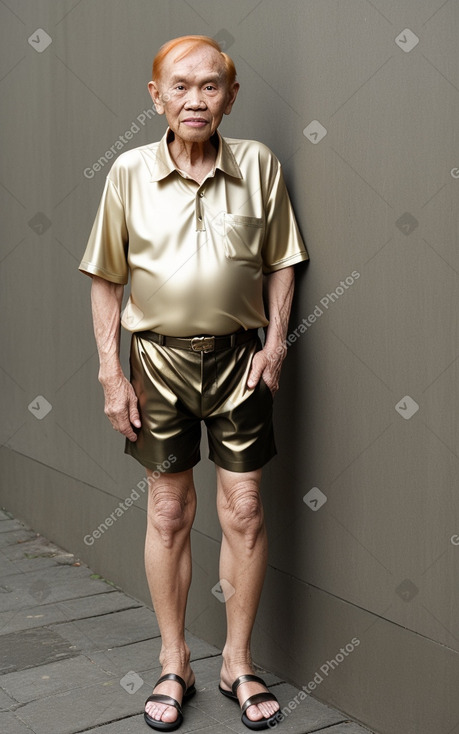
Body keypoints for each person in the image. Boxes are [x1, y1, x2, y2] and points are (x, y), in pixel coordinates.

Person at [79, 35, 308, 732]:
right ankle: (173, 660)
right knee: (168, 512)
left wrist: (274, 345)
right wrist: (110, 370)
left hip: (241, 358)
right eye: (180, 86)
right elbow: (106, 277)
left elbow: (282, 262)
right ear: (156, 96)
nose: (195, 99)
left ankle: (237, 661)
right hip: (156, 361)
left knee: (243, 510)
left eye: (210, 86)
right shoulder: (126, 171)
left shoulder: (259, 166)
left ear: (230, 98)